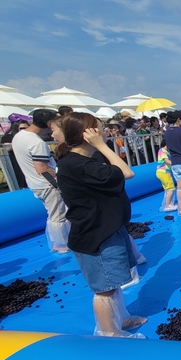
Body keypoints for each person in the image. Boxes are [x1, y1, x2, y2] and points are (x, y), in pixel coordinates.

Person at [55, 113, 147, 338]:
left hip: (110, 229)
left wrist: (98, 147)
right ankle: (109, 333)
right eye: (100, 128)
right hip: (96, 236)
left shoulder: (91, 160)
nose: (105, 130)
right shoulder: (78, 165)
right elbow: (127, 173)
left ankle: (120, 319)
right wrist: (102, 146)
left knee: (114, 283)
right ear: (88, 134)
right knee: (105, 289)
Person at [11, 109, 70, 253]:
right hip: (48, 185)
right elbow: (42, 168)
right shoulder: (37, 143)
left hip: (35, 184)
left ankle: (57, 243)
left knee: (52, 215)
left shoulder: (19, 136)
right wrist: (58, 182)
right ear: (49, 123)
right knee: (58, 216)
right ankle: (63, 245)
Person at [1, 119, 30, 189]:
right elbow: (7, 148)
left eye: (26, 128)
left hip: (28, 162)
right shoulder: (9, 136)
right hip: (15, 163)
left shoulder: (30, 137)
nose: (24, 130)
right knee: (20, 182)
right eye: (22, 128)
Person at [156, 139, 178, 212]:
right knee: (171, 188)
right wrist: (176, 164)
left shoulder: (165, 151)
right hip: (164, 172)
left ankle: (169, 204)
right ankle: (167, 205)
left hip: (163, 172)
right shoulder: (162, 151)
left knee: (168, 189)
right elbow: (166, 161)